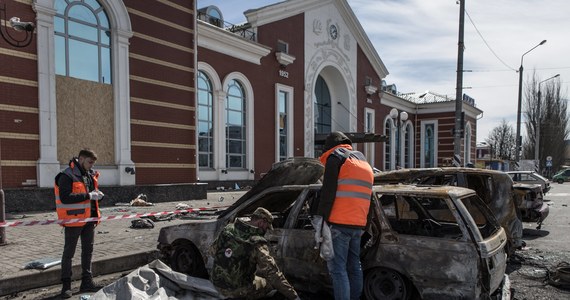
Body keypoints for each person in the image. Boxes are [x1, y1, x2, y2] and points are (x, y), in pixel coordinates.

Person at [317, 131, 374, 300]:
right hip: (358, 225)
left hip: (339, 224)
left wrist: (321, 220)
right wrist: (366, 224)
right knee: (354, 266)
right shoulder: (363, 163)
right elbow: (370, 198)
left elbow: (327, 193)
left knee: (338, 269)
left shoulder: (336, 159)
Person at [211, 207, 300, 300]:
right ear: (261, 222)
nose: (266, 230)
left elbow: (212, 252)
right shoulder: (256, 243)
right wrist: (294, 296)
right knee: (270, 283)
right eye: (267, 226)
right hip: (237, 291)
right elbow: (274, 275)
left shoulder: (228, 229)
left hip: (216, 284)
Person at [54, 149, 105, 298]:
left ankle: (87, 282)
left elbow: (89, 195)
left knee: (88, 251)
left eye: (93, 163)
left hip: (89, 220)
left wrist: (98, 197)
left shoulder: (89, 175)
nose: (91, 165)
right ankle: (66, 286)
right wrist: (89, 195)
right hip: (73, 220)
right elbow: (65, 198)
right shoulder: (66, 175)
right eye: (89, 162)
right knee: (68, 254)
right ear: (81, 159)